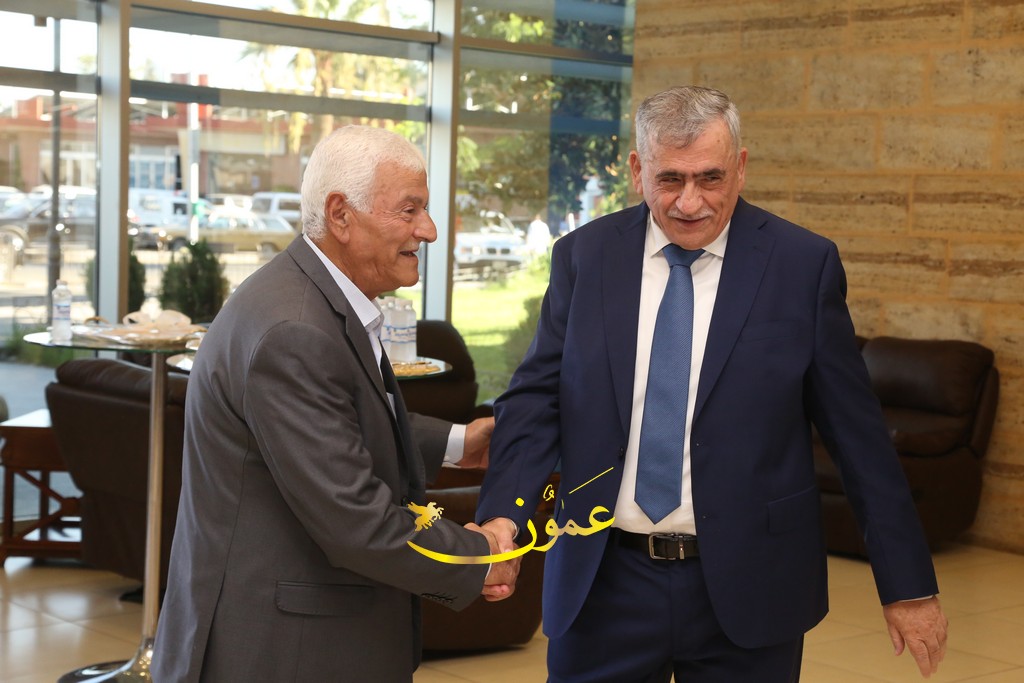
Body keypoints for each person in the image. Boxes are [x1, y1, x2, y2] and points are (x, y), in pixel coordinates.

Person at [475, 86, 947, 682]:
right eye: (670, 179)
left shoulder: (802, 265)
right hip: (603, 582)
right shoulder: (584, 257)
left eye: (710, 178)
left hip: (754, 582)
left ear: (741, 168)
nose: (690, 202)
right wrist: (503, 518)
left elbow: (859, 438)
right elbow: (537, 397)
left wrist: (907, 585)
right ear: (637, 170)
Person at [152, 125, 518, 682]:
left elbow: (339, 417)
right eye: (410, 210)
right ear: (341, 215)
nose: (428, 229)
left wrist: (457, 443)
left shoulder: (306, 298)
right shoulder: (295, 331)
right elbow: (357, 521)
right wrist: (478, 554)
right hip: (282, 651)